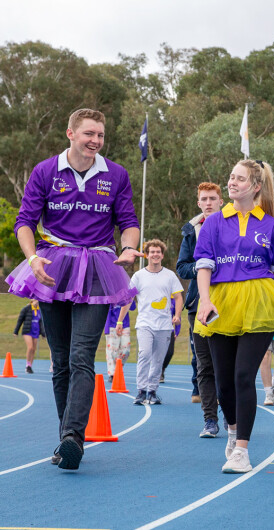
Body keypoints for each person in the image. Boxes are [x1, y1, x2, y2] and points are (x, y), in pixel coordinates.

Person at [6, 108, 142, 470]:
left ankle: (72, 439)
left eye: (100, 134)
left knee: (82, 356)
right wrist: (32, 258)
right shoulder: (45, 171)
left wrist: (129, 246)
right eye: (88, 134)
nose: (95, 140)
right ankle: (65, 435)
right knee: (61, 361)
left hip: (98, 267)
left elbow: (128, 222)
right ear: (70, 133)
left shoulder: (116, 175)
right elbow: (25, 222)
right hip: (53, 267)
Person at [194, 159, 274, 473]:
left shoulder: (273, 227)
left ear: (255, 186)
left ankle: (242, 450)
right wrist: (205, 300)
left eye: (239, 179)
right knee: (224, 382)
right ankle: (233, 428)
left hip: (260, 303)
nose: (232, 182)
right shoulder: (212, 222)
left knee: (242, 376)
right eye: (231, 177)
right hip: (221, 303)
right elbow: (204, 265)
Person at [177, 182, 224, 436]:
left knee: (227, 365)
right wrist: (203, 268)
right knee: (204, 365)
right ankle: (210, 420)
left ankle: (231, 414)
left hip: (230, 302)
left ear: (221, 201)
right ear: (198, 203)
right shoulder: (191, 231)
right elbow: (182, 267)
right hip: (199, 305)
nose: (208, 202)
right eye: (204, 198)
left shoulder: (233, 225)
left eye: (212, 198)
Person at [119, 239, 183, 406]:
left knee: (158, 359)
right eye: (152, 252)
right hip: (145, 324)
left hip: (164, 325)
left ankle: (152, 392)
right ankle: (141, 391)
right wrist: (120, 320)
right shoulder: (138, 276)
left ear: (162, 255)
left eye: (158, 252)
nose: (155, 254)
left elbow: (178, 297)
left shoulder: (170, 275)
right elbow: (128, 299)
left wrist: (177, 315)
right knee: (144, 354)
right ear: (147, 255)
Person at [103, 301, 135, 382]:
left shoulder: (125, 293)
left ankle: (118, 369)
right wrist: (107, 329)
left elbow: (133, 307)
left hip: (125, 325)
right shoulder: (111, 293)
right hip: (112, 326)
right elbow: (107, 313)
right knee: (112, 351)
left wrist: (131, 294)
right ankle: (112, 374)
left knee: (126, 350)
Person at [14, 299, 45, 374]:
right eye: (36, 301)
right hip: (27, 331)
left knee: (34, 349)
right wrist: (16, 331)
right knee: (30, 347)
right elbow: (20, 320)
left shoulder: (39, 310)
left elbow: (41, 323)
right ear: (32, 301)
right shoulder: (26, 309)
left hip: (36, 331)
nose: (37, 302)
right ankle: (27, 364)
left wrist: (43, 334)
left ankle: (30, 366)